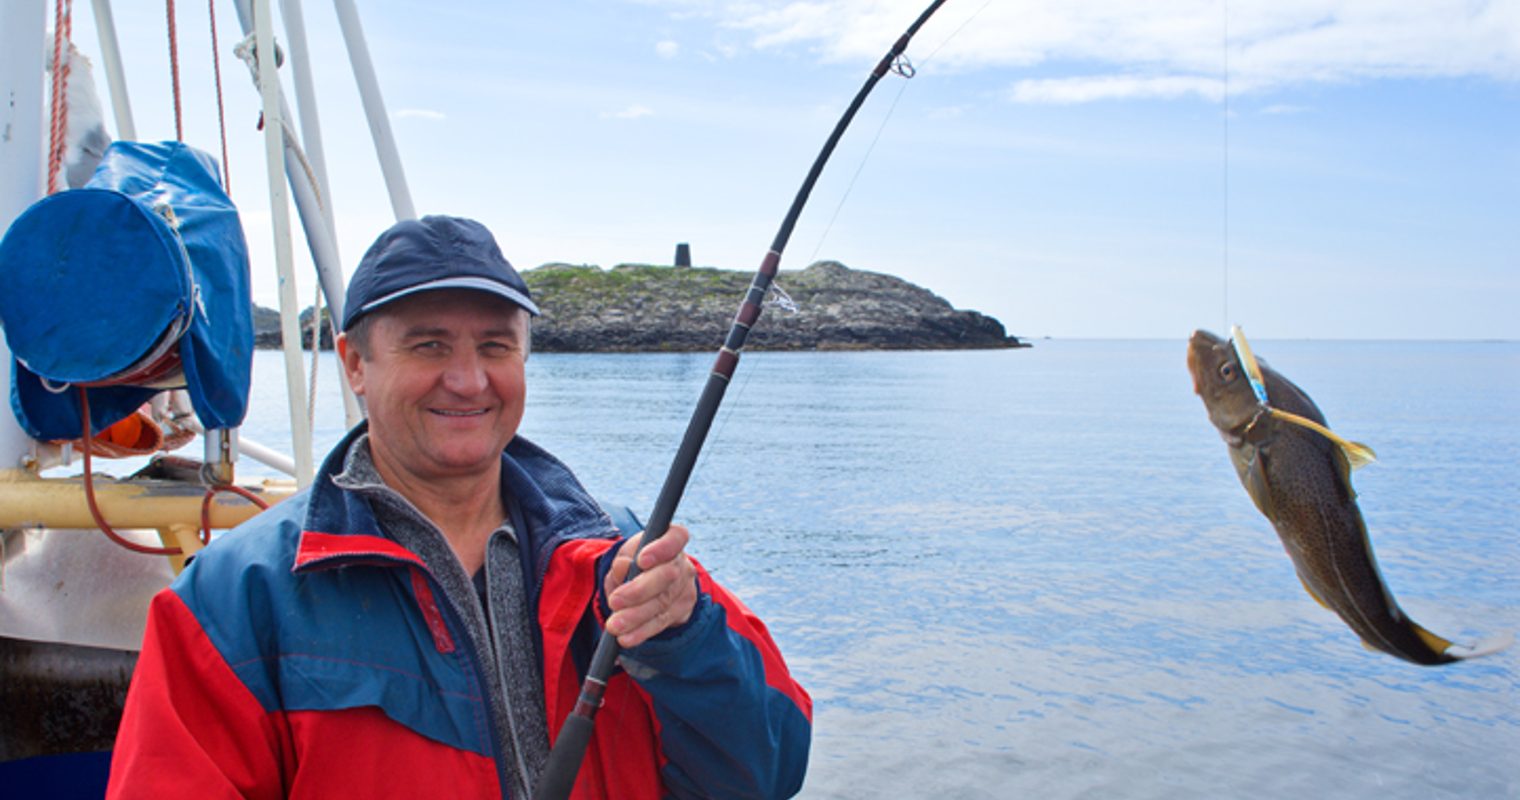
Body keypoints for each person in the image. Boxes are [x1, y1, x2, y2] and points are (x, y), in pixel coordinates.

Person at [107, 215, 812, 799]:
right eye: (429, 345)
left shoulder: (627, 556)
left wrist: (686, 638)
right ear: (354, 363)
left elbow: (769, 773)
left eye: (495, 346)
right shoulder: (233, 597)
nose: (469, 380)